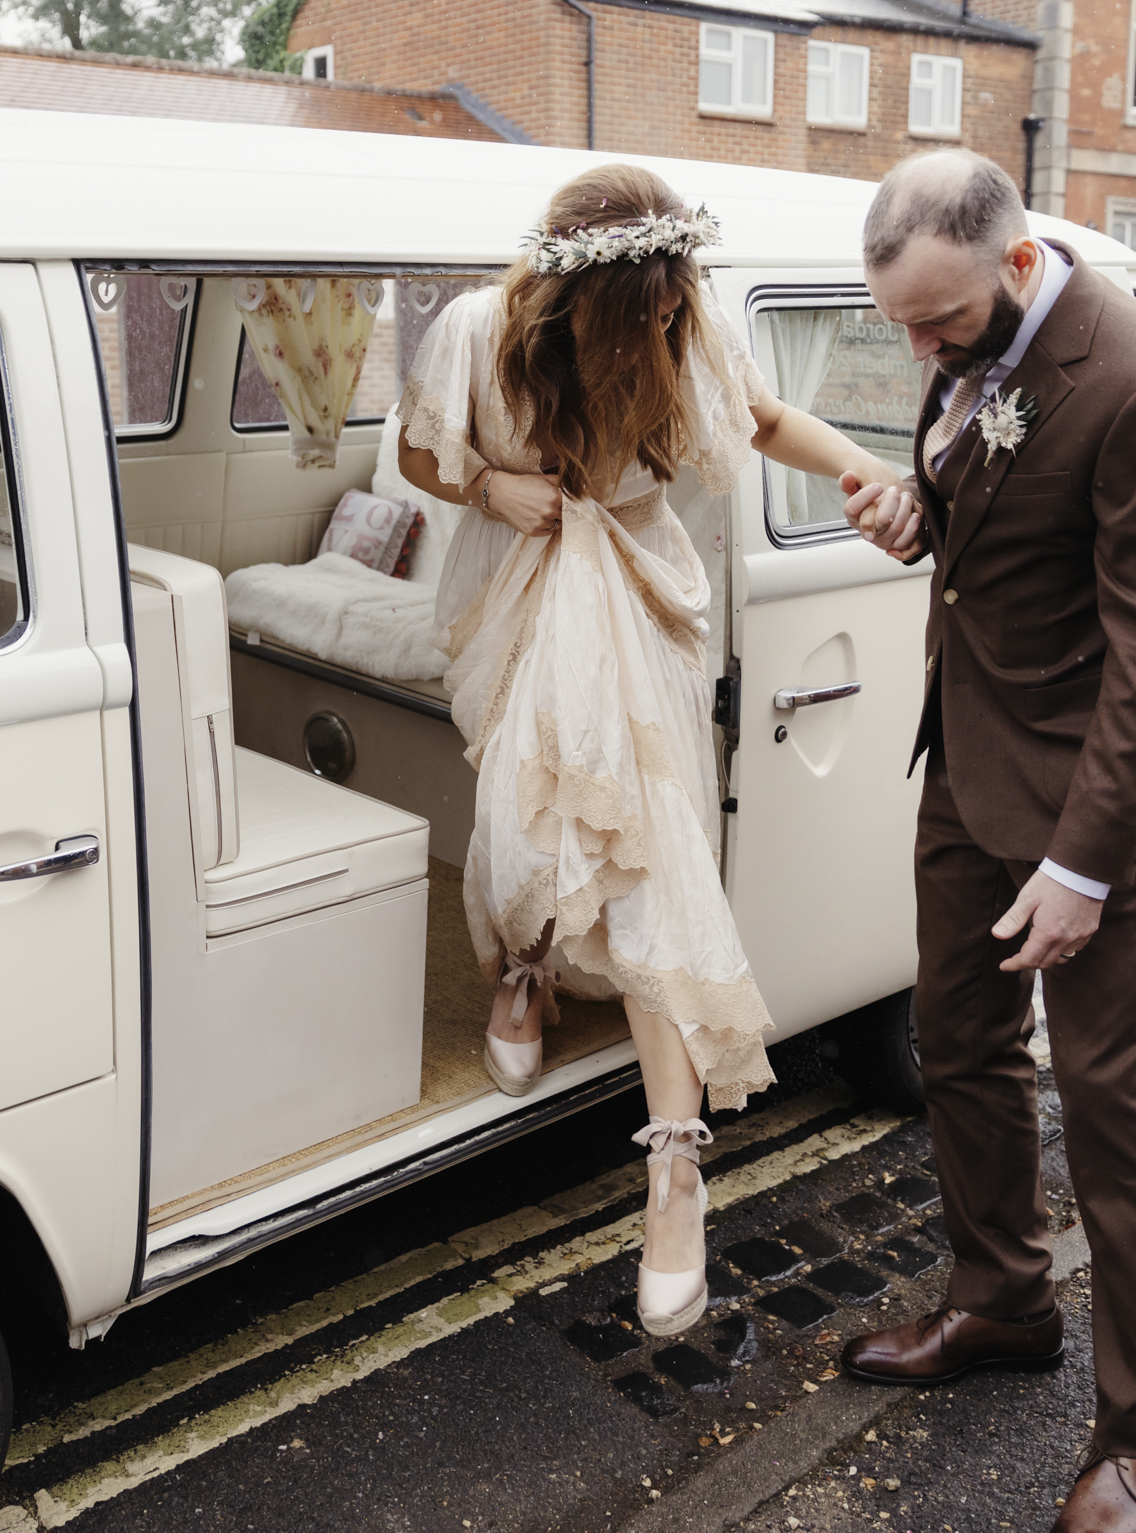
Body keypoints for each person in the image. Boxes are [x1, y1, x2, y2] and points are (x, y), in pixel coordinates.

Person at [396, 164, 909, 1336]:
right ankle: (521, 969)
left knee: (650, 859)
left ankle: (673, 1167)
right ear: (580, 301)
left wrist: (868, 472)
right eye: (655, 302)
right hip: (522, 581)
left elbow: (762, 419)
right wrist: (488, 483)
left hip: (641, 591)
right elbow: (414, 455)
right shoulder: (479, 330)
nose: (677, 315)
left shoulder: (687, 316)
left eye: (683, 295)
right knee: (525, 821)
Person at [838, 149, 1136, 1533]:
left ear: (1016, 264)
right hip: (966, 762)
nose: (922, 348)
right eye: (903, 327)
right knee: (960, 1037)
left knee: (1113, 1101)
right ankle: (1000, 1300)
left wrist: (1082, 866)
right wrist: (915, 505)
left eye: (938, 324)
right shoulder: (967, 330)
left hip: (1091, 801)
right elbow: (992, 502)